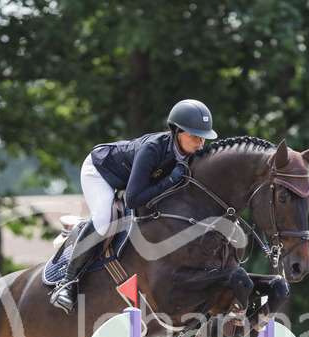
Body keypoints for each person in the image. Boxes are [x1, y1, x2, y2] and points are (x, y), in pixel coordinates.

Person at [49, 99, 219, 314]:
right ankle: (67, 283)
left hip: (131, 182)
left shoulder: (192, 155)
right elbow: (133, 199)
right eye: (193, 136)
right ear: (176, 132)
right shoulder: (152, 149)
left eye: (202, 137)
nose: (199, 143)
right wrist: (168, 182)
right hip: (101, 172)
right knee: (103, 220)